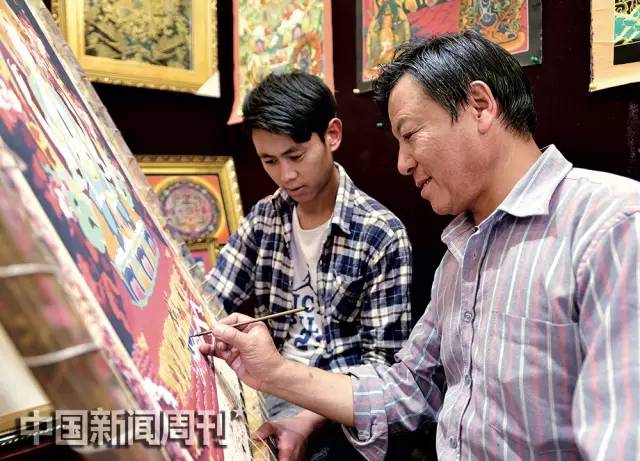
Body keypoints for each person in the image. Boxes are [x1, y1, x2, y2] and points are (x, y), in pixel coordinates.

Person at [200, 31, 640, 460]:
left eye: (409, 135)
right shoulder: (460, 256)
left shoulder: (611, 224)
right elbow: (409, 387)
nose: (402, 163)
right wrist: (274, 372)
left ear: (480, 106)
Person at [205, 71, 413, 458]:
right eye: (270, 160)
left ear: (332, 135)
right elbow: (212, 299)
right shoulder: (265, 218)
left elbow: (382, 373)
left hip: (337, 411)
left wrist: (306, 421)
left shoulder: (380, 234)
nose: (286, 175)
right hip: (267, 388)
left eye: (296, 156)